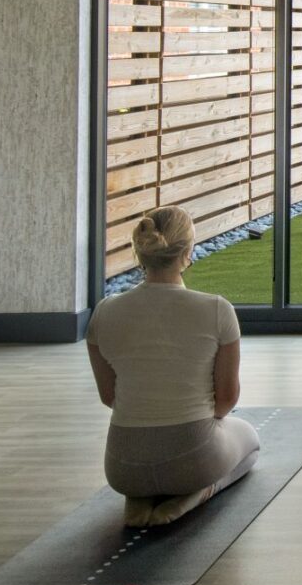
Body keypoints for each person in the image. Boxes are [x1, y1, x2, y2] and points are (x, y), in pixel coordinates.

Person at [87, 207, 261, 529]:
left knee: (153, 463)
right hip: (194, 462)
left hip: (123, 467)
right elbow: (225, 401)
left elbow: (110, 396)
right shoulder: (217, 310)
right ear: (187, 252)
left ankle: (139, 500)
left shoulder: (104, 313)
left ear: (141, 253)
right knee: (250, 442)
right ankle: (195, 495)